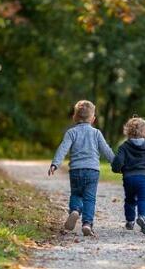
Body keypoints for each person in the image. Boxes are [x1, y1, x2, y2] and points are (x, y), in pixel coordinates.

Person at [48, 100, 114, 236]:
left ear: (74, 117)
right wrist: (116, 163)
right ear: (93, 119)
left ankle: (75, 210)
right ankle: (87, 224)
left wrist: (55, 164)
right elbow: (106, 150)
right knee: (89, 198)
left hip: (76, 170)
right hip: (92, 171)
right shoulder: (96, 133)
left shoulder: (71, 133)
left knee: (76, 194)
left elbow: (63, 149)